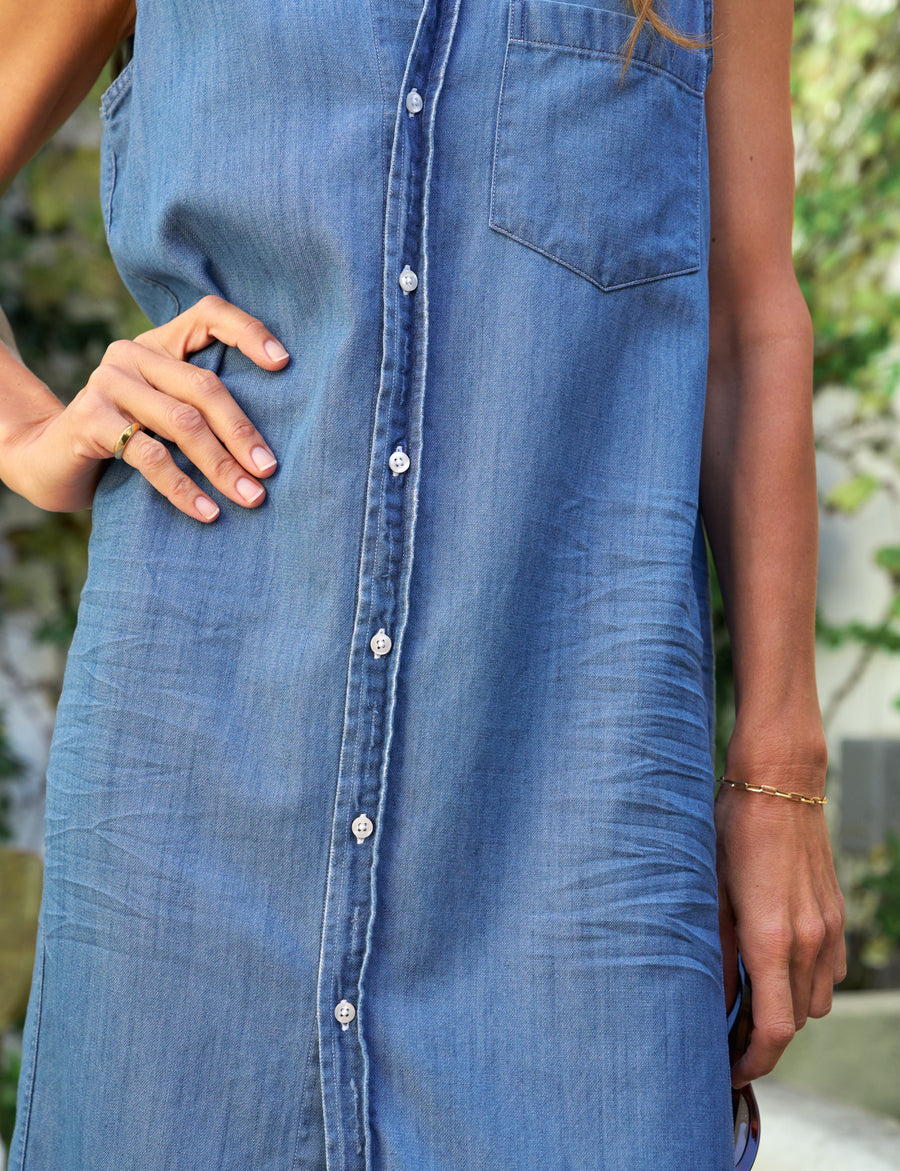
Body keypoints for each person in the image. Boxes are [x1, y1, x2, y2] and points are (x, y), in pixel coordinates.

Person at [0, 0, 846, 1167]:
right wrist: (31, 435)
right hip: (188, 799)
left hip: (574, 826)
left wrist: (780, 783)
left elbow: (750, 326)